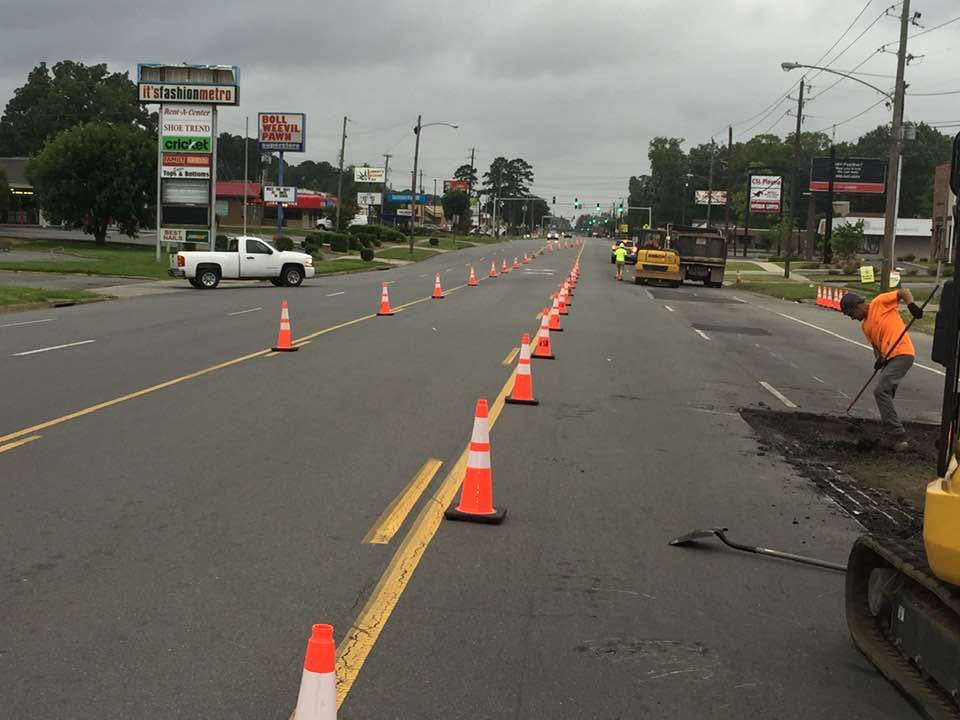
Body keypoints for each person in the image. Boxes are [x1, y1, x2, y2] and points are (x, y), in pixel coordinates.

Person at [840, 288, 924, 452]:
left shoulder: (880, 302)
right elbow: (876, 345)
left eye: (850, 314)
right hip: (889, 359)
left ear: (858, 306)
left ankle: (896, 434)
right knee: (886, 393)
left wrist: (911, 305)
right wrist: (878, 359)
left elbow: (904, 292)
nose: (852, 318)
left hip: (902, 353)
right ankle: (892, 430)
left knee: (881, 391)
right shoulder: (865, 326)